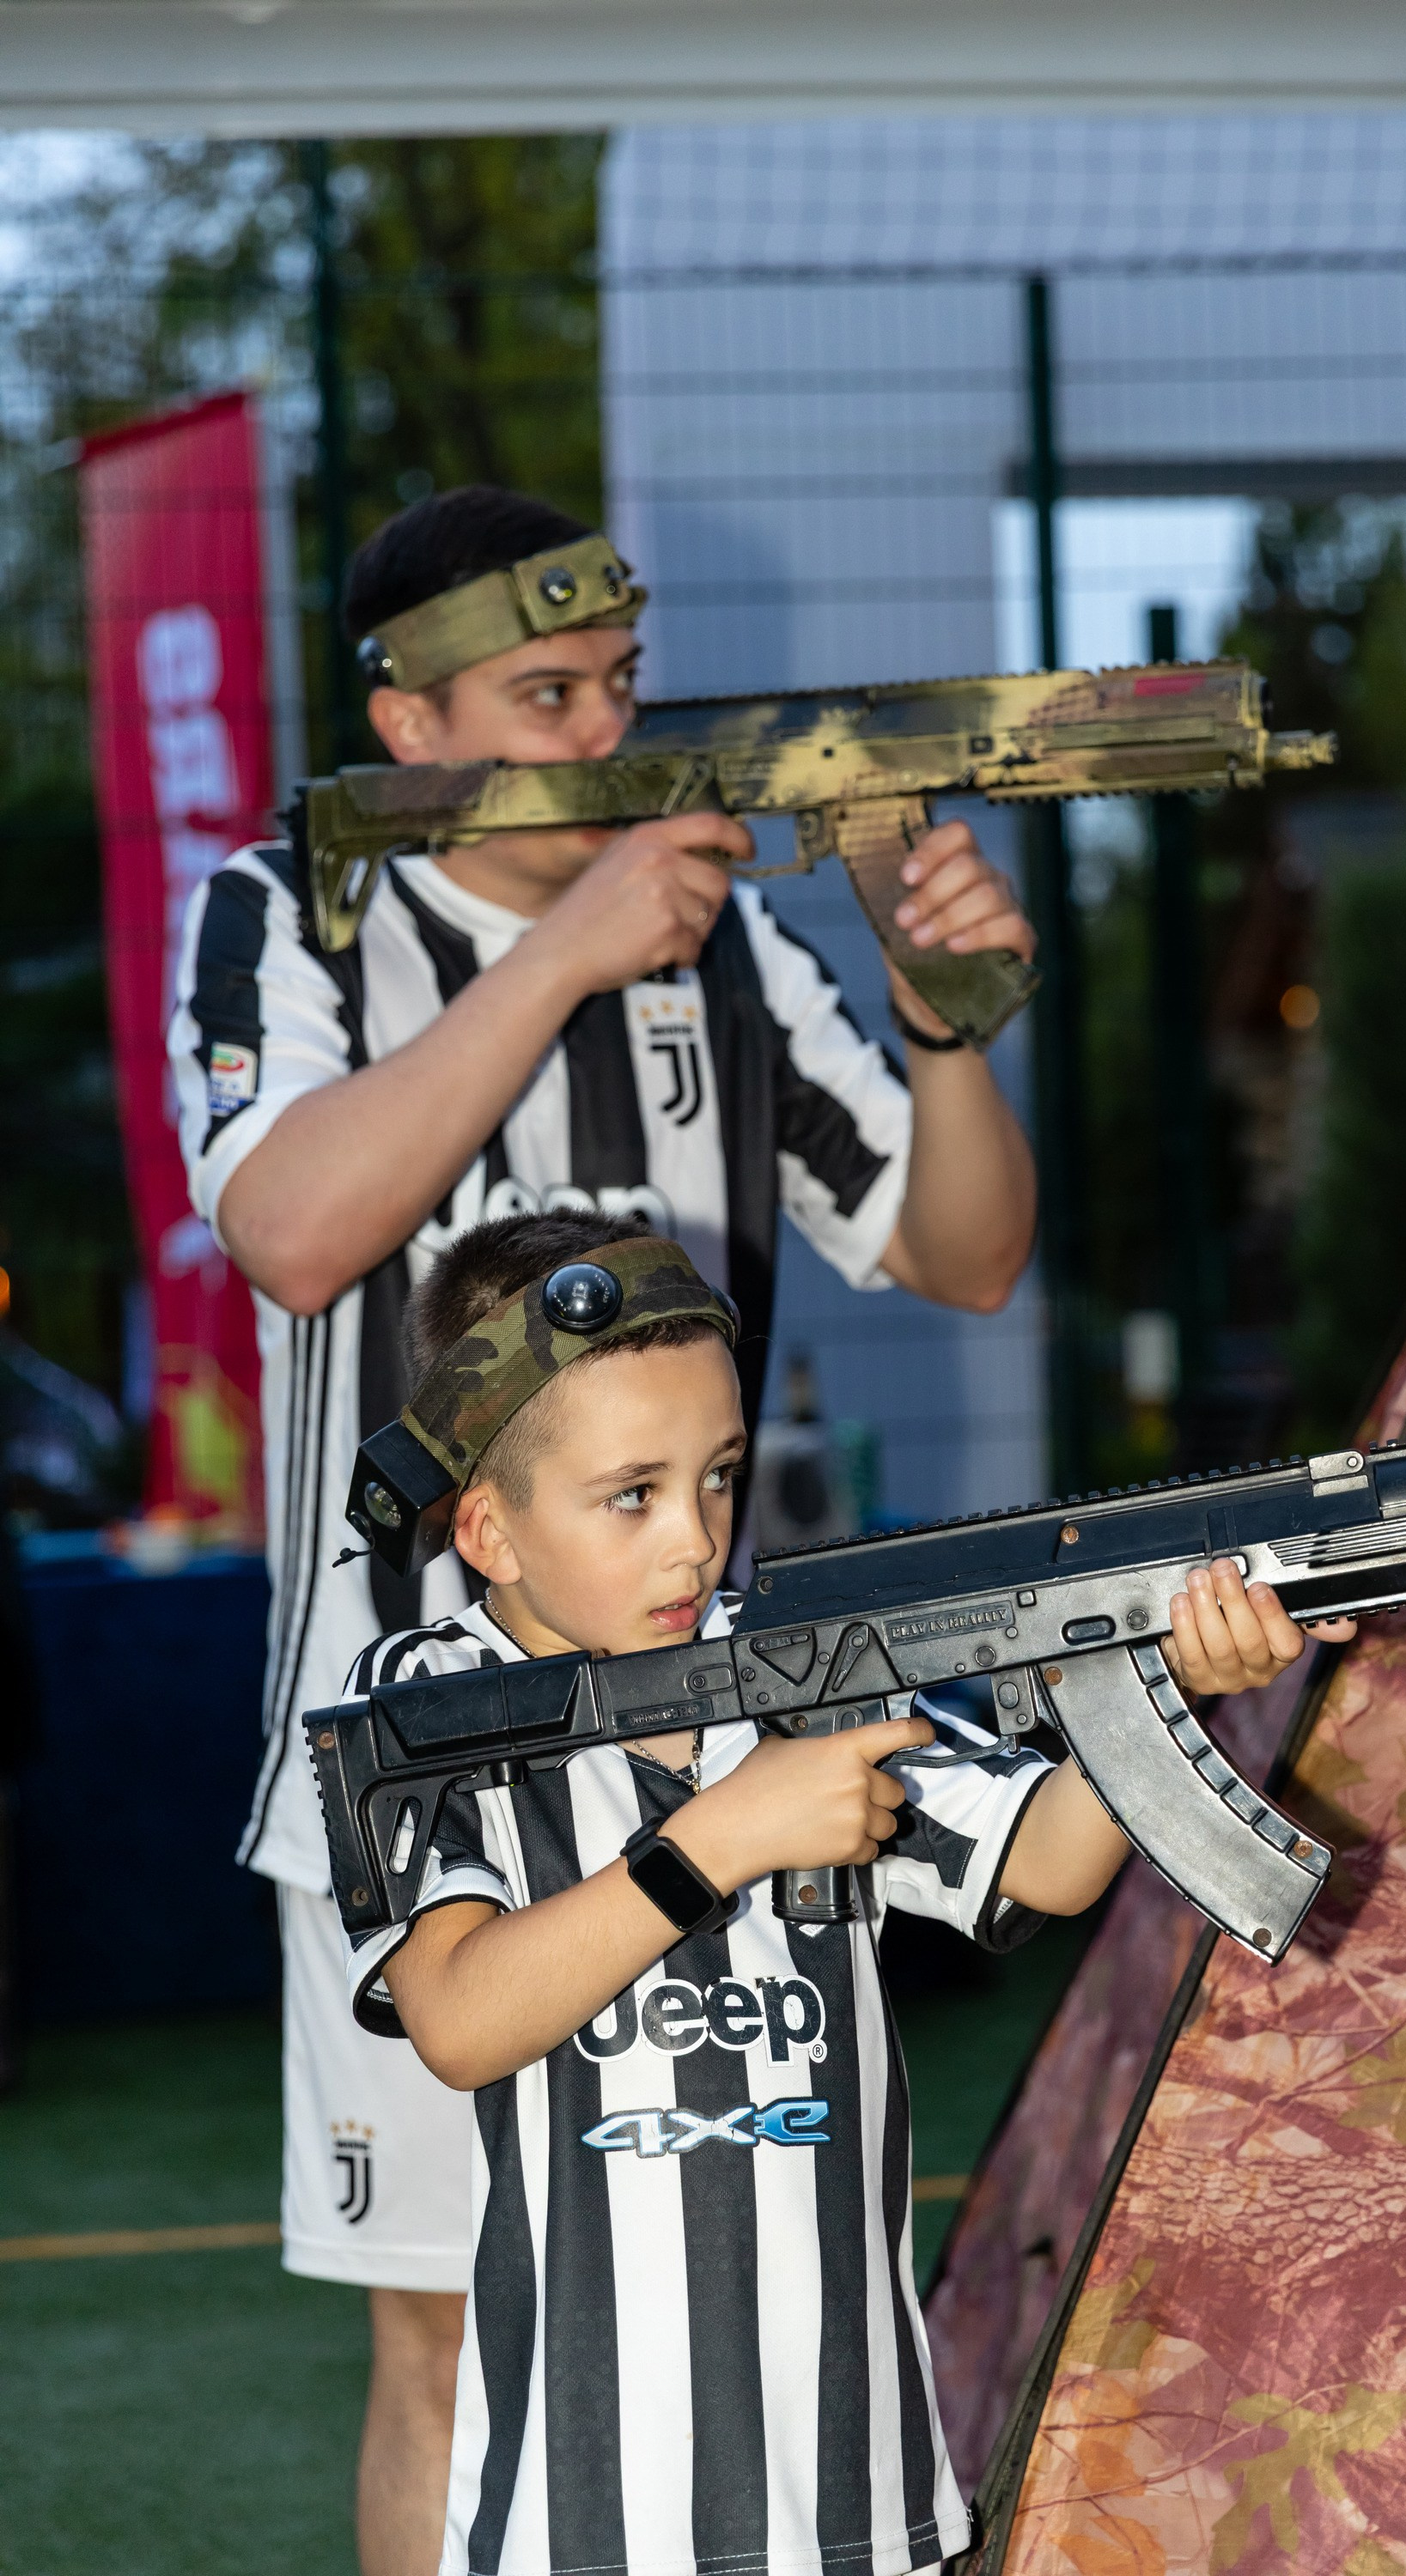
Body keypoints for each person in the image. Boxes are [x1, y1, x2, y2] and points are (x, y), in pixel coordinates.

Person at [168, 483, 1039, 2576]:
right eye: (539, 695)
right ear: (406, 721)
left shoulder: (720, 935)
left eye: (616, 685)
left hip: (705, 1737)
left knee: (753, 2314)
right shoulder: (297, 906)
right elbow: (292, 1232)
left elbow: (966, 1252)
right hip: (409, 1755)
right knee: (450, 2340)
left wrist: (939, 1025)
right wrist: (566, 947)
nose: (602, 729)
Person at [342, 1206, 1344, 2576]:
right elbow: (457, 2014)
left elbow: (1042, 1858)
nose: (694, 1543)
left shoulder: (796, 1672)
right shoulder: (428, 1699)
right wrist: (723, 1838)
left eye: (719, 1475)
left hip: (862, 2505)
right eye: (631, 1495)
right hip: (583, 2525)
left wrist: (1164, 1674)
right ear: (490, 1532)